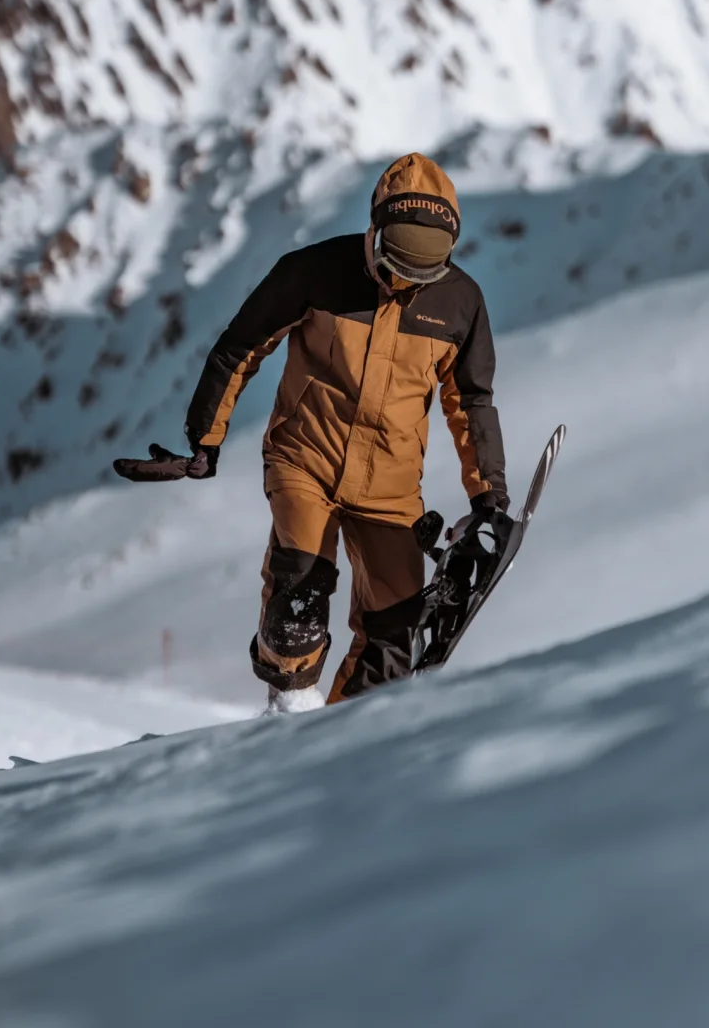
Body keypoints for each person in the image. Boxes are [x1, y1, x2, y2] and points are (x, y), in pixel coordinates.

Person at [118, 153, 508, 714]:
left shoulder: (460, 303)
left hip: (392, 491)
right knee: (298, 600)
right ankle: (288, 703)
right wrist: (205, 439)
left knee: (393, 647)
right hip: (305, 461)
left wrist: (487, 496)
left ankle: (338, 741)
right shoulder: (315, 272)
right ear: (373, 232)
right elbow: (240, 346)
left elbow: (470, 400)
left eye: (422, 273)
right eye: (394, 263)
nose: (404, 282)